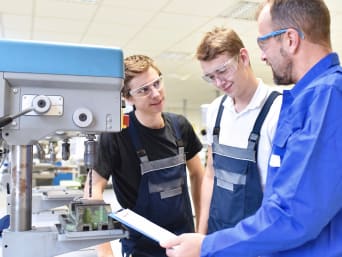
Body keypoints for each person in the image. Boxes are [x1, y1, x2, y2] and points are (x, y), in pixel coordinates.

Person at [160, 0, 342, 256]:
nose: (263, 56)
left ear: (290, 39)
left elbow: (293, 215)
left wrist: (206, 246)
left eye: (263, 43)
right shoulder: (307, 99)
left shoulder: (327, 98)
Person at [84, 54, 205, 257]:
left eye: (157, 83)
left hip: (184, 244)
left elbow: (199, 175)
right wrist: (105, 253)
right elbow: (91, 193)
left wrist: (202, 232)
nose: (156, 94)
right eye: (144, 90)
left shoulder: (180, 126)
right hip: (141, 249)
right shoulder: (116, 135)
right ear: (128, 97)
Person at [195, 27, 281, 235]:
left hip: (257, 238)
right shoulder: (216, 109)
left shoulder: (277, 110)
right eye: (210, 77)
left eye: (223, 70)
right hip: (218, 234)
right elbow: (210, 174)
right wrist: (201, 235)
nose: (218, 82)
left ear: (243, 57)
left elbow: (281, 192)